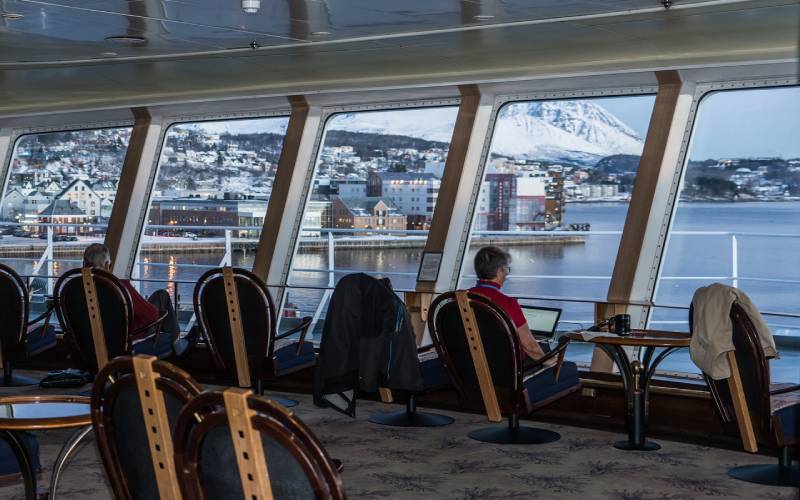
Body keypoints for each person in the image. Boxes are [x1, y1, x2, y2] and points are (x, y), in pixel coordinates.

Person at [82, 243, 189, 355]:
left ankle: (178, 344)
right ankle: (177, 344)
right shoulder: (119, 287)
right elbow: (151, 316)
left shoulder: (75, 289)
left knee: (158, 297)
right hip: (125, 344)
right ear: (106, 264)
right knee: (162, 296)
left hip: (89, 346)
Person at [469, 246, 555, 368]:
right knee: (568, 369)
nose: (506, 274)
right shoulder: (507, 303)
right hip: (504, 373)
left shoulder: (457, 299)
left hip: (469, 368)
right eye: (506, 270)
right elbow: (529, 346)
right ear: (499, 272)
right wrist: (549, 361)